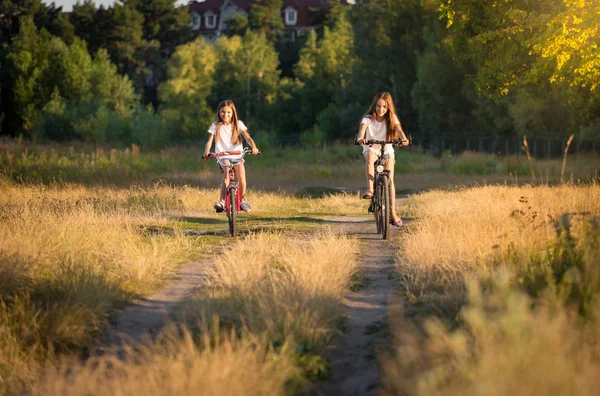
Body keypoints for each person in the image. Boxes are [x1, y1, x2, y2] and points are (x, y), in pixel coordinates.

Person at [356, 91, 409, 226]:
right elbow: (362, 131)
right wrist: (361, 138)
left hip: (387, 148)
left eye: (384, 107)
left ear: (388, 108)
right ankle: (370, 190)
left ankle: (392, 213)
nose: (381, 109)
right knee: (369, 157)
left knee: (390, 180)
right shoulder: (368, 119)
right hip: (371, 148)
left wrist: (403, 139)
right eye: (379, 106)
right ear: (375, 106)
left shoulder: (392, 118)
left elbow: (399, 129)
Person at [203, 100, 259, 212]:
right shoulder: (215, 126)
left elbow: (247, 137)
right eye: (223, 112)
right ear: (219, 112)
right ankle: (222, 202)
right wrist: (207, 151)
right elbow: (209, 141)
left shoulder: (238, 124)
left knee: (242, 178)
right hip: (223, 156)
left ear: (233, 113)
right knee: (227, 176)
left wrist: (254, 147)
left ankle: (242, 200)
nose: (225, 115)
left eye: (228, 112)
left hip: (237, 155)